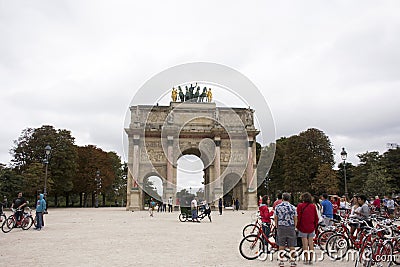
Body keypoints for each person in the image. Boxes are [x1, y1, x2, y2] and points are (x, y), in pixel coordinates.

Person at [274, 192, 297, 267]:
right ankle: (292, 261)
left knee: (281, 245)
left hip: (281, 227)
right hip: (290, 227)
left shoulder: (278, 207)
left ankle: (281, 261)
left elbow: (276, 217)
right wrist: (294, 226)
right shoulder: (292, 207)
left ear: (282, 198)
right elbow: (295, 218)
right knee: (291, 245)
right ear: (289, 198)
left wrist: (277, 226)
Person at [297, 193, 318, 265]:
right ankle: (311, 259)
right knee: (311, 243)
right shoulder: (313, 206)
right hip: (311, 226)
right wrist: (314, 226)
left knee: (305, 244)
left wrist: (297, 226)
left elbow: (298, 217)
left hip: (303, 226)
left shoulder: (300, 206)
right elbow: (316, 217)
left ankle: (306, 259)